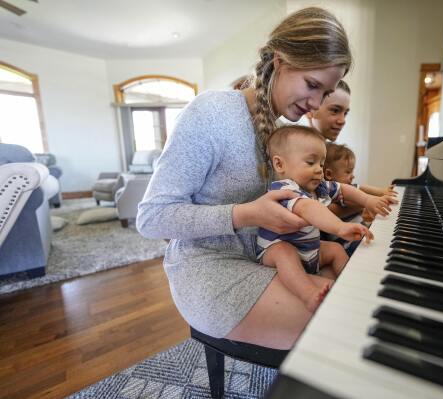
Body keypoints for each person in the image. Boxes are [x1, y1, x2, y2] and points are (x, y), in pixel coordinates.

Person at [137, 7, 353, 350]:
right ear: (280, 62)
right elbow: (151, 219)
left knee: (348, 299)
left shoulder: (282, 134)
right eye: (312, 85)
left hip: (266, 256)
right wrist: (246, 214)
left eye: (325, 94)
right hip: (210, 268)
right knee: (336, 325)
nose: (315, 104)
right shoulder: (211, 113)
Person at [256, 125, 390, 312]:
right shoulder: (284, 188)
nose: (319, 170)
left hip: (309, 250)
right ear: (280, 165)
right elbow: (308, 208)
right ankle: (308, 293)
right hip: (276, 251)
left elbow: (343, 189)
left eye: (321, 163)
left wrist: (368, 200)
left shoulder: (318, 186)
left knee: (335, 249)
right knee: (283, 252)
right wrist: (340, 227)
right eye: (311, 163)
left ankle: (352, 284)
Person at [323, 142, 396, 254]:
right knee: (376, 250)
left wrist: (381, 192)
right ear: (329, 174)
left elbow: (361, 188)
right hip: (346, 242)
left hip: (360, 231)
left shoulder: (346, 188)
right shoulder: (327, 195)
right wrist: (378, 195)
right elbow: (361, 189)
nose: (352, 176)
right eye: (348, 172)